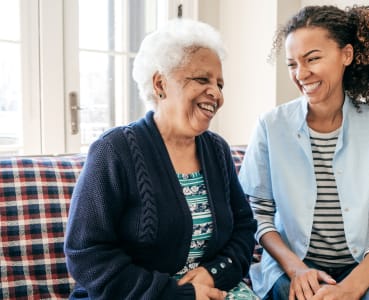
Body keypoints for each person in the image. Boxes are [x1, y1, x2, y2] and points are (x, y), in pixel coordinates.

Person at [238, 5, 369, 300]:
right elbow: (257, 213)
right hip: (295, 266)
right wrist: (295, 269)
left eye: (312, 58)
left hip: (363, 265)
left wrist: (351, 288)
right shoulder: (270, 126)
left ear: (347, 55)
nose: (301, 73)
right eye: (292, 64)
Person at [64, 18, 258, 300]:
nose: (216, 93)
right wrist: (178, 294)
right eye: (202, 79)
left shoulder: (217, 150)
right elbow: (87, 254)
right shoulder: (114, 150)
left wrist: (213, 273)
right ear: (160, 84)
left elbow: (243, 228)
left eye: (219, 84)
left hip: (211, 289)